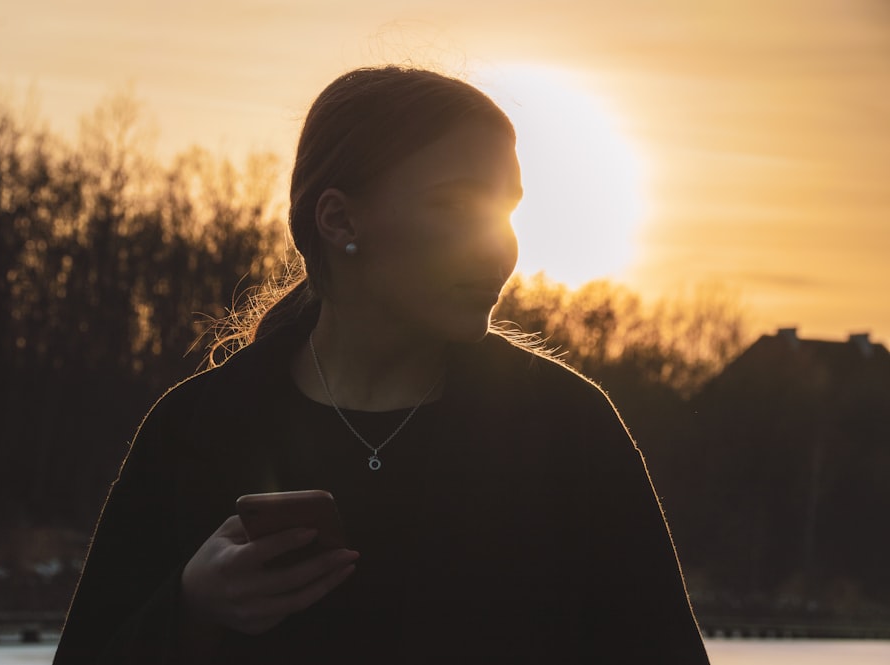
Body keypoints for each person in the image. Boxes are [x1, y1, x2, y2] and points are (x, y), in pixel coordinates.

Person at [53, 65, 709, 664]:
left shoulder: (568, 431)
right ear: (339, 220)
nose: (497, 247)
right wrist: (190, 608)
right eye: (454, 205)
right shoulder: (197, 431)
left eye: (506, 209)